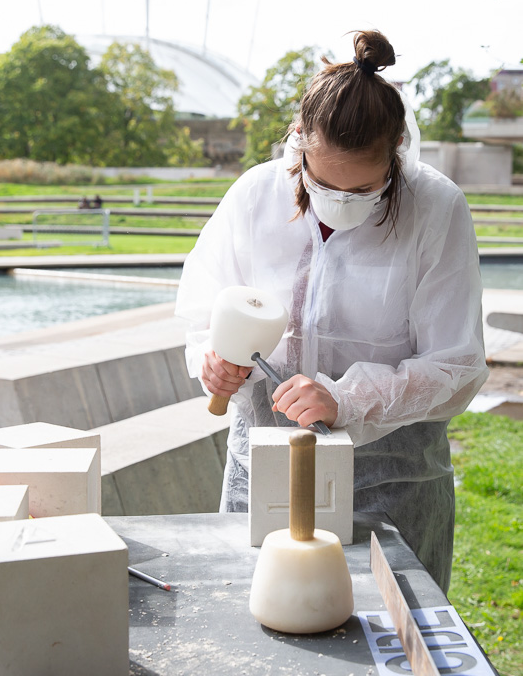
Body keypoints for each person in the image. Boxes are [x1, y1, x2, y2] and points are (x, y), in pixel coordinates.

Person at [175, 29, 488, 594]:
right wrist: (212, 359)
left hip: (393, 479)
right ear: (298, 141)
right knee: (263, 622)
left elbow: (458, 367)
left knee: (390, 632)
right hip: (265, 469)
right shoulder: (253, 196)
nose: (341, 201)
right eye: (323, 183)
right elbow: (205, 308)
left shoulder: (435, 208)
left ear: (396, 151)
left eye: (365, 189)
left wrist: (345, 400)